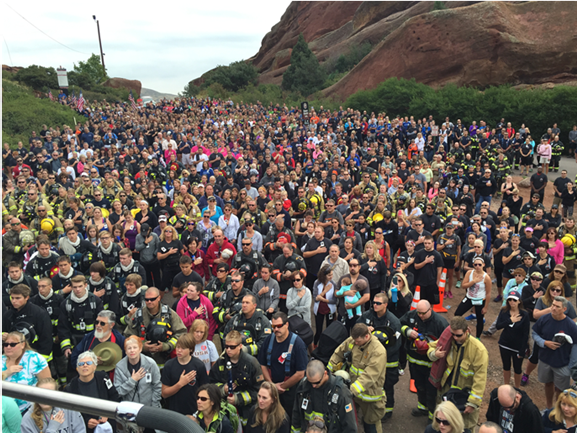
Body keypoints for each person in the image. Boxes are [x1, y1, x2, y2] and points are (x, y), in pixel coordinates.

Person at [428, 317, 489, 430]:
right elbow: (431, 346)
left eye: (459, 335)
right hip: (447, 392)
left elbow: (480, 378)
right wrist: (434, 354)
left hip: (464, 396)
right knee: (443, 424)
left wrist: (473, 403)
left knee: (464, 427)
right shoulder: (449, 341)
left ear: (467, 331)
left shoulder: (478, 350)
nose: (455, 338)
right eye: (453, 334)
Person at [328, 323, 387, 433]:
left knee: (371, 424)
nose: (355, 343)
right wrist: (328, 372)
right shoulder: (353, 340)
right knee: (350, 421)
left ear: (366, 336)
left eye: (358, 341)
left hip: (370, 395)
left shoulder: (378, 351)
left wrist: (351, 391)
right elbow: (338, 353)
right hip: (353, 391)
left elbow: (370, 375)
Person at [357, 292, 402, 421]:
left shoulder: (393, 321)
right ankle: (368, 409)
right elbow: (357, 327)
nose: (375, 305)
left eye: (378, 303)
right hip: (369, 359)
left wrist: (379, 357)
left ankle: (387, 411)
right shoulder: (368, 315)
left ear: (385, 305)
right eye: (374, 303)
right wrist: (364, 329)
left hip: (388, 361)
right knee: (370, 385)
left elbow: (396, 345)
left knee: (387, 386)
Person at [400, 300, 449, 420]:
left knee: (431, 389)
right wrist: (407, 331)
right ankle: (422, 407)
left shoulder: (440, 323)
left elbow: (448, 342)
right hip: (414, 360)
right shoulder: (411, 315)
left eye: (423, 313)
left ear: (430, 310)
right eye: (419, 313)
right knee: (419, 385)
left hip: (431, 364)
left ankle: (433, 416)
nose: (420, 316)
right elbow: (399, 324)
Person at [258, 312, 308, 422]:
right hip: (272, 390)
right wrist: (272, 386)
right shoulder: (268, 340)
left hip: (290, 394)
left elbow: (300, 373)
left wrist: (283, 386)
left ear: (286, 325)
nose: (276, 329)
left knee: (287, 419)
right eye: (273, 326)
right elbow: (263, 365)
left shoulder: (298, 344)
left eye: (279, 326)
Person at [209, 330, 264, 427]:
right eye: (226, 346)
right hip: (225, 409)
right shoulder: (221, 362)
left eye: (232, 347)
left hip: (247, 410)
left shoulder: (252, 363)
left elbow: (259, 390)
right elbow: (211, 383)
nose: (228, 350)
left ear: (240, 346)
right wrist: (223, 389)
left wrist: (238, 398)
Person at [531, 296, 577, 409]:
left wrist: (572, 364)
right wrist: (545, 343)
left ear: (564, 309)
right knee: (548, 383)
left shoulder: (571, 325)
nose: (553, 308)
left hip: (562, 363)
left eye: (557, 306)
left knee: (561, 389)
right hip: (545, 359)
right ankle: (549, 406)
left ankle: (558, 409)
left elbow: (576, 344)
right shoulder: (544, 319)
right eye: (553, 305)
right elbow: (534, 334)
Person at [123, 286, 187, 367]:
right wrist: (142, 346)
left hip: (166, 361)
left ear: (159, 298)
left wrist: (167, 346)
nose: (149, 301)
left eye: (152, 299)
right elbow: (128, 336)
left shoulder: (169, 314)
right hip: (142, 362)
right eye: (147, 299)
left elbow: (181, 333)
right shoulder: (138, 315)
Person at [292, 359, 357, 433]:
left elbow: (350, 426)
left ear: (325, 373)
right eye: (310, 382)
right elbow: (296, 414)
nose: (313, 386)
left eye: (317, 382)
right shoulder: (303, 386)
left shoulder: (341, 392)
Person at [65, 351, 120, 433]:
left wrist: (108, 414)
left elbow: (115, 397)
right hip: (84, 428)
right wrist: (86, 421)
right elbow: (69, 412)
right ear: (77, 369)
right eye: (81, 364)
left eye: (88, 363)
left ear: (95, 367)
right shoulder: (70, 388)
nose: (85, 365)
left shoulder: (103, 378)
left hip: (107, 425)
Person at [0, 331, 51, 413]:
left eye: (12, 344)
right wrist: (5, 373)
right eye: (6, 344)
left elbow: (48, 384)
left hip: (29, 409)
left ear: (22, 345)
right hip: (3, 410)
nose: (8, 347)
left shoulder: (34, 359)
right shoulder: (0, 360)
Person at [0, 283, 53, 362]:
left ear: (27, 298)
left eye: (18, 298)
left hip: (35, 354)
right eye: (12, 298)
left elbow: (46, 339)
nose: (14, 301)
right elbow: (2, 331)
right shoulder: (8, 315)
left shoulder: (39, 313)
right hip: (15, 357)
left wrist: (40, 361)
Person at [161, 334, 209, 416]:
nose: (179, 350)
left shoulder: (199, 366)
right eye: (178, 347)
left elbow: (205, 391)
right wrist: (180, 384)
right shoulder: (169, 365)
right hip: (174, 412)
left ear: (191, 349)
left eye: (183, 348)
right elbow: (164, 393)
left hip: (194, 412)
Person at [113, 336, 162, 411]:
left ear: (140, 349)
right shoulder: (120, 367)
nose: (132, 351)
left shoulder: (150, 364)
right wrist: (132, 380)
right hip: (129, 410)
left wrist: (154, 408)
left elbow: (157, 387)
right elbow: (118, 392)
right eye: (129, 348)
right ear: (125, 351)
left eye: (135, 347)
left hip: (148, 408)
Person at [21, 377, 85, 433]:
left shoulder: (70, 410)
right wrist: (52, 427)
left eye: (49, 393)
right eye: (41, 393)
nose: (45, 397)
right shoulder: (28, 419)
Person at [495, 290, 530, 388]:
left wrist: (522, 350)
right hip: (504, 344)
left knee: (517, 368)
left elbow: (525, 333)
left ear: (519, 301)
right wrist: (510, 320)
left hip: (517, 347)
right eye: (510, 299)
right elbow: (498, 326)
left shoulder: (524, 314)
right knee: (506, 366)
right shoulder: (504, 311)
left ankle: (517, 388)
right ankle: (506, 387)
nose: (512, 302)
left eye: (514, 300)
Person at [223, 292, 272, 356]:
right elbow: (226, 336)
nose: (244, 305)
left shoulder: (263, 321)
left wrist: (246, 349)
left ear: (254, 305)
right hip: (235, 356)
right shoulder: (235, 319)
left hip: (255, 358)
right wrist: (232, 347)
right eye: (243, 302)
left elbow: (265, 343)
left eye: (247, 303)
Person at [455, 257, 492, 337]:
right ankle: (462, 330)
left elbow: (488, 293)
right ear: (473, 265)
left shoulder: (486, 277)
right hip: (469, 298)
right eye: (475, 264)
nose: (477, 266)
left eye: (479, 264)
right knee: (457, 314)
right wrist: (473, 281)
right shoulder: (469, 273)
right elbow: (463, 286)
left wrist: (485, 307)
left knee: (480, 319)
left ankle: (478, 337)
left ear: (483, 265)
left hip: (480, 300)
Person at [311, 265, 337, 346]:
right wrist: (325, 291)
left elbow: (335, 300)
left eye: (332, 275)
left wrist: (324, 300)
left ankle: (326, 346)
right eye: (329, 275)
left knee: (329, 330)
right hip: (319, 309)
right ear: (324, 275)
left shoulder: (333, 284)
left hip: (330, 310)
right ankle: (315, 345)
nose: (331, 277)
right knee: (318, 330)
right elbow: (315, 298)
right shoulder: (317, 283)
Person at [414, 235, 443, 304]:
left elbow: (439, 269)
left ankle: (430, 314)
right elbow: (416, 266)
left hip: (432, 282)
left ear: (433, 243)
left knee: (431, 302)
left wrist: (438, 281)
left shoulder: (437, 255)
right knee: (422, 301)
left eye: (429, 243)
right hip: (421, 282)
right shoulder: (419, 253)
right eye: (425, 243)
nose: (427, 245)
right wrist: (425, 262)